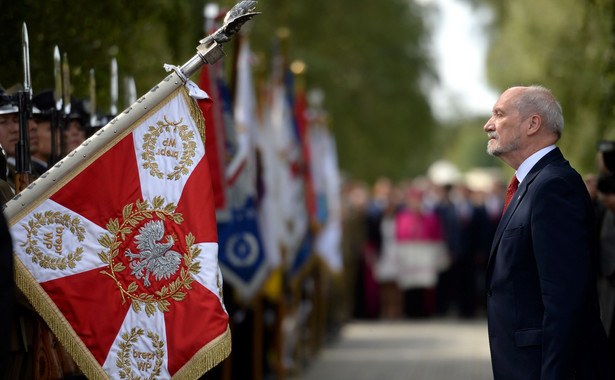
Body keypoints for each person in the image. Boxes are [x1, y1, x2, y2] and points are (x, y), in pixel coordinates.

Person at [484, 85, 610, 379]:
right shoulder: (534, 183)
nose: (488, 125)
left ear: (533, 124)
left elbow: (564, 300)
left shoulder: (554, 187)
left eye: (499, 114)